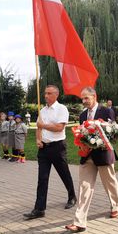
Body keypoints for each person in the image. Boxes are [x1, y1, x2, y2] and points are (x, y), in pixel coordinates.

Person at [65, 86, 118, 233]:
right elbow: (81, 134)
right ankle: (79, 222)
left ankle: (116, 205)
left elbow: (113, 133)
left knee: (109, 182)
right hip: (87, 156)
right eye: (82, 99)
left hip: (103, 154)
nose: (84, 101)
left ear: (94, 96)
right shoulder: (83, 115)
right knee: (84, 187)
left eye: (86, 98)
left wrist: (99, 140)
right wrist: (83, 144)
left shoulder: (106, 111)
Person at [23, 85, 77, 220]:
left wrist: (43, 126)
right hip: (44, 149)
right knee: (42, 178)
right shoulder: (42, 111)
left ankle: (72, 196)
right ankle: (39, 209)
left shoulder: (61, 109)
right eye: (45, 93)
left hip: (57, 147)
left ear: (56, 95)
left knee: (64, 173)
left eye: (49, 93)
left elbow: (59, 128)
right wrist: (38, 139)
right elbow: (38, 127)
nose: (46, 96)